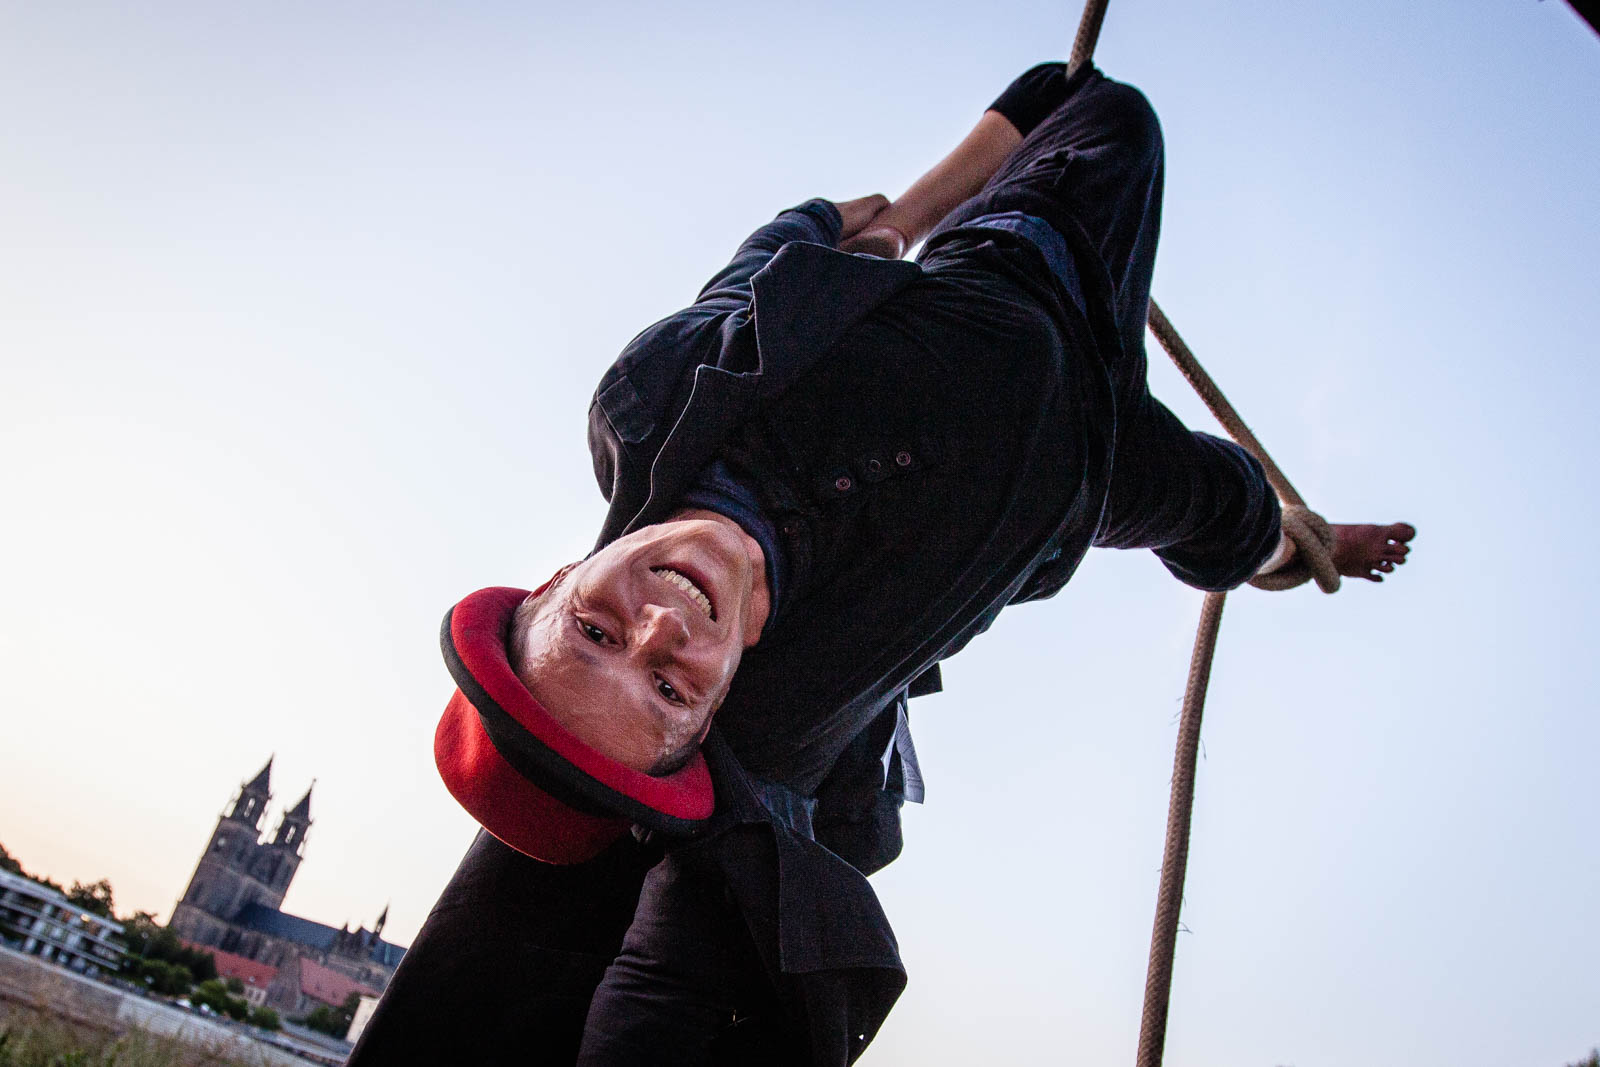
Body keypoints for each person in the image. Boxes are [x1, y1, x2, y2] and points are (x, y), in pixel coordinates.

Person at [350, 62, 1414, 1066]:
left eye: (592, 631)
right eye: (671, 683)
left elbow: (783, 250)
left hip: (994, 249)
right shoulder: (793, 701)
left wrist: (895, 218)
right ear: (711, 700)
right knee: (1112, 121)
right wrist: (1297, 544)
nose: (662, 628)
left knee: (1093, 107)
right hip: (1081, 417)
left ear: (548, 583)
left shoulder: (658, 399)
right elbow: (1216, 508)